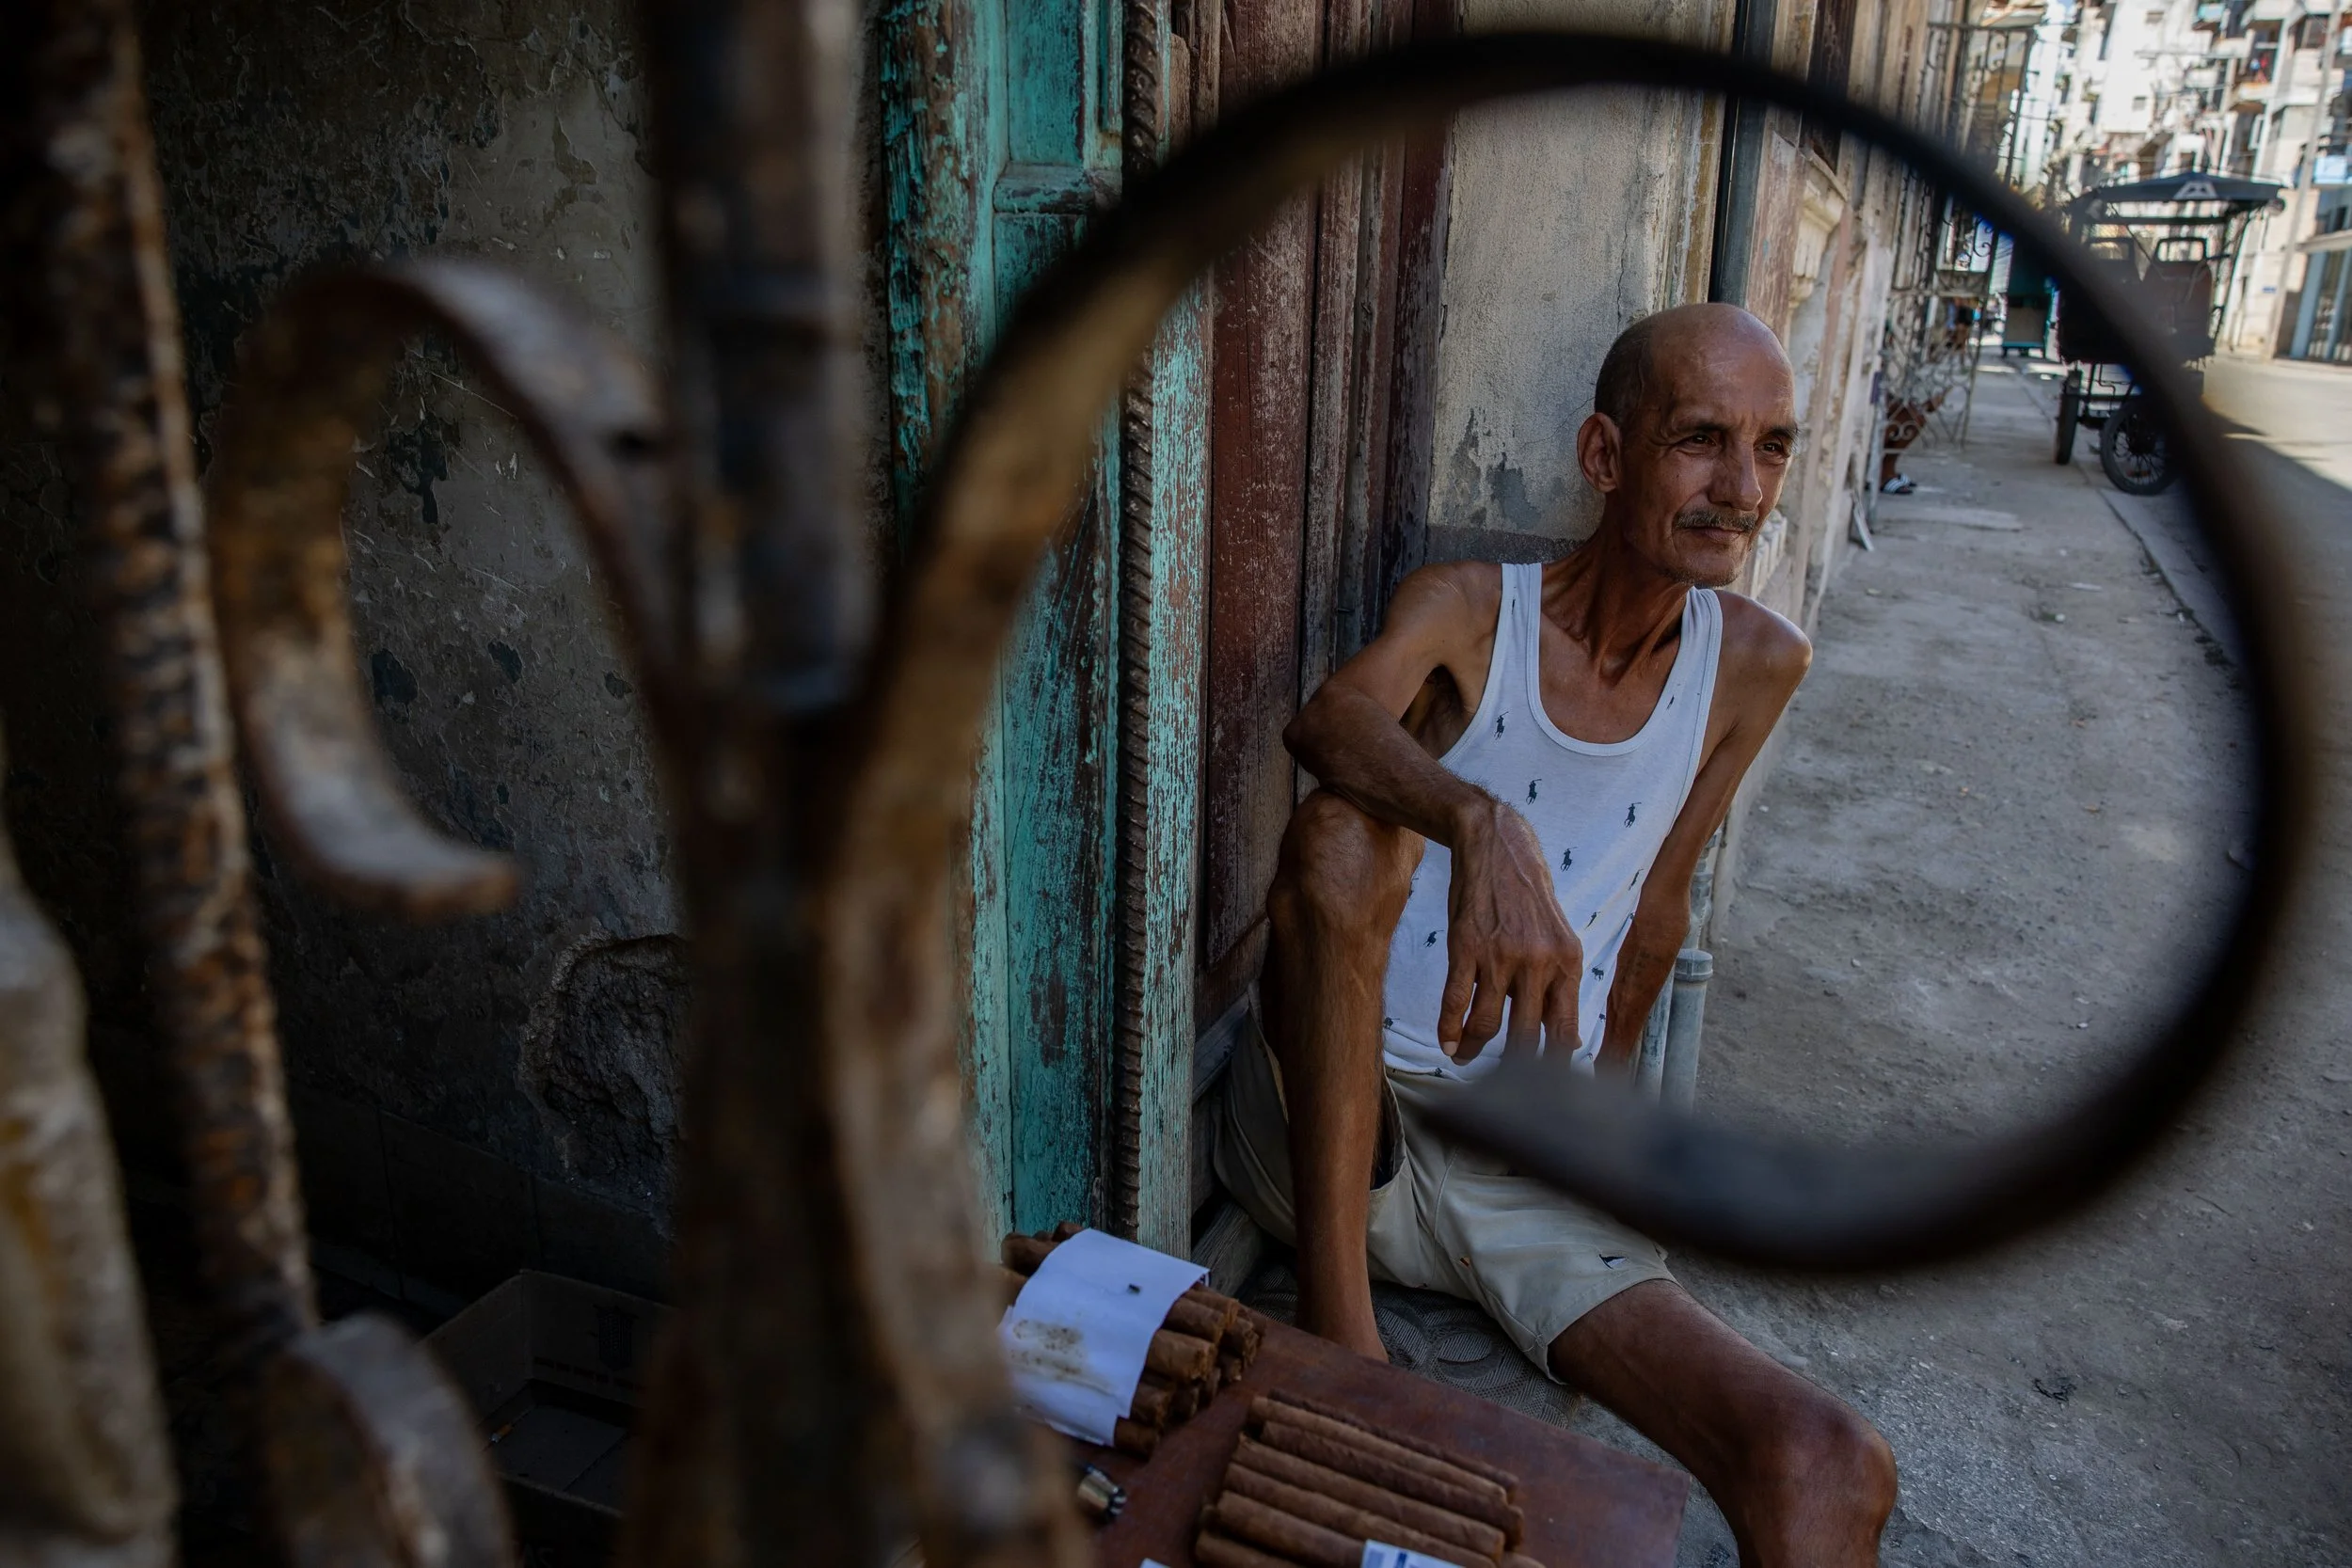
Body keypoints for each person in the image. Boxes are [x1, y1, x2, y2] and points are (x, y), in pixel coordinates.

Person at [1214, 303, 1898, 1565]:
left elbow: (1655, 915)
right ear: (1604, 454)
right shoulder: (1475, 610)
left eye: (1771, 446)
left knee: (1829, 1463)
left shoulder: (1757, 660)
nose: (1739, 487)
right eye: (1700, 439)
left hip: (1524, 1161)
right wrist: (1482, 823)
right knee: (1338, 838)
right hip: (1332, 1126)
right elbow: (1330, 719)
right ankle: (1341, 1346)